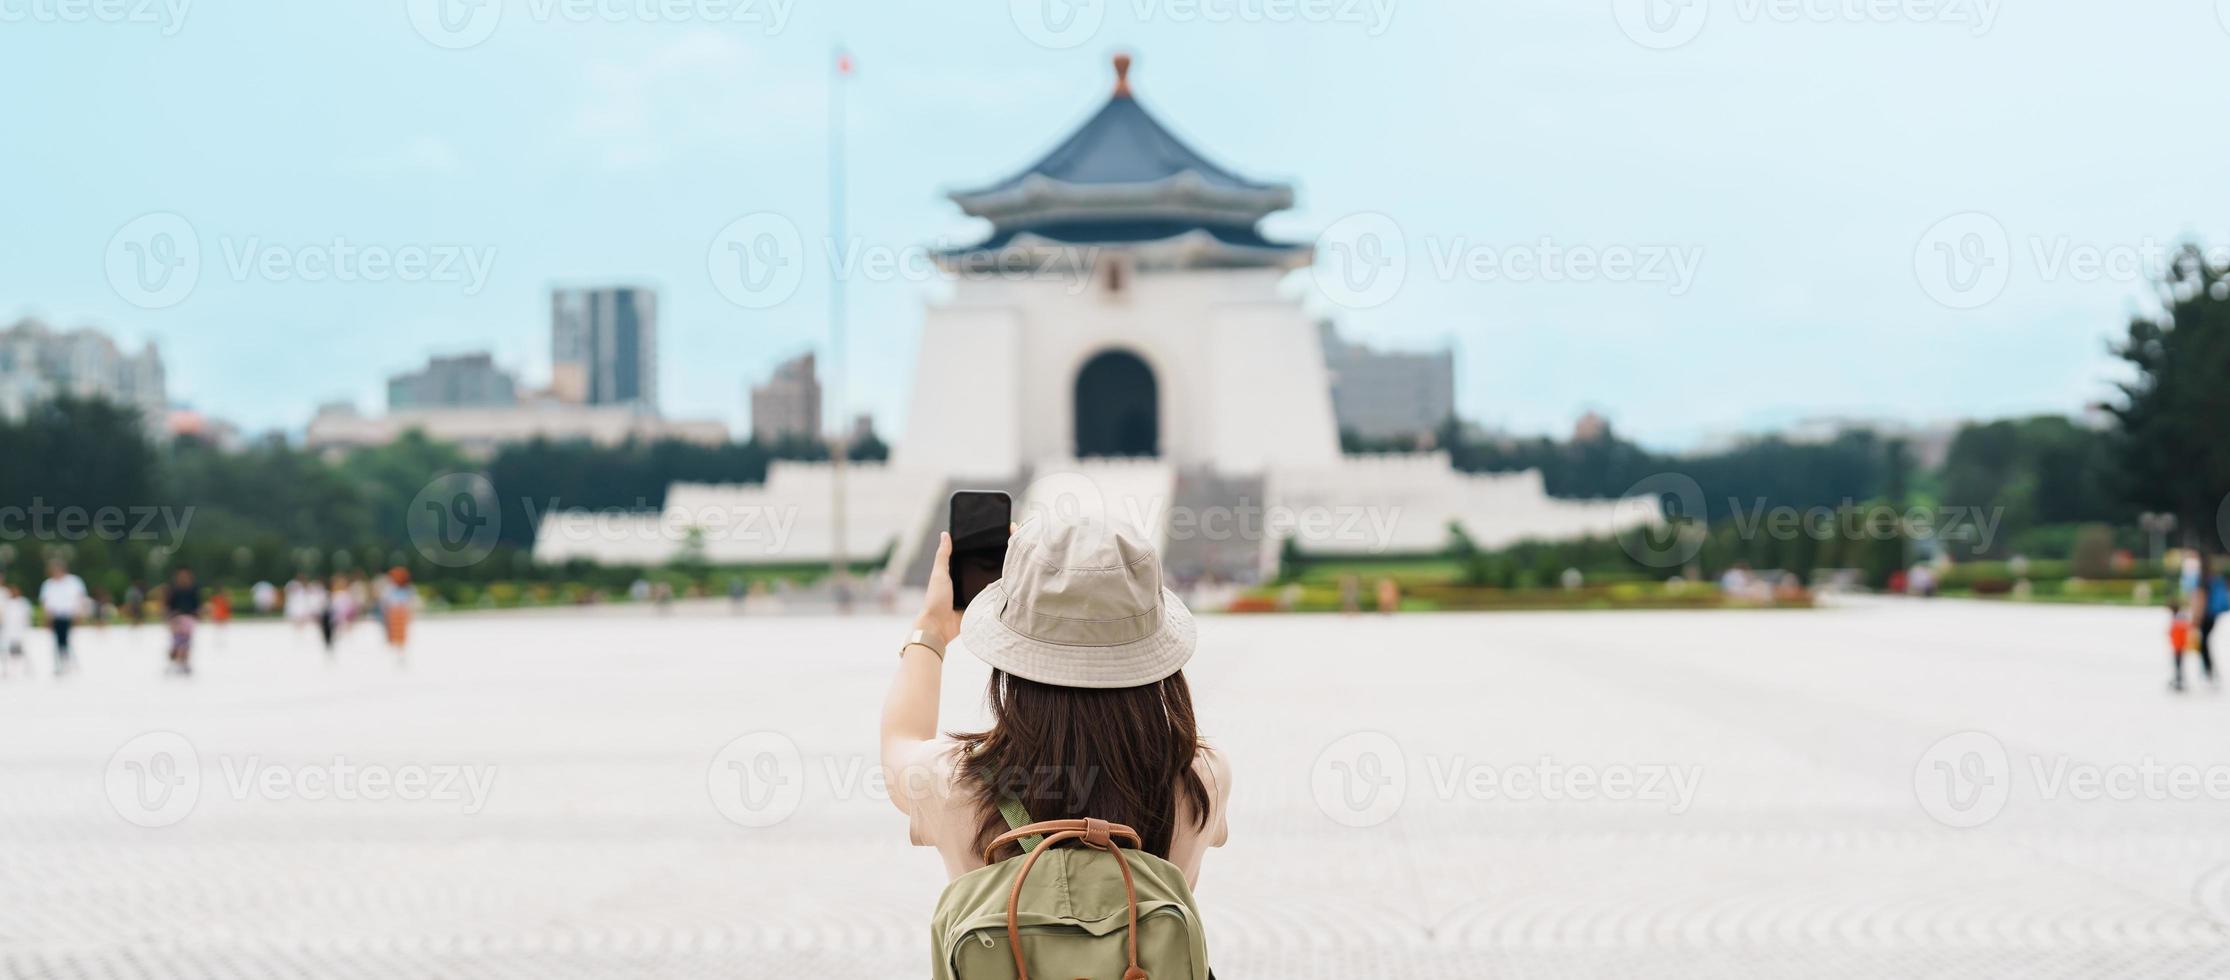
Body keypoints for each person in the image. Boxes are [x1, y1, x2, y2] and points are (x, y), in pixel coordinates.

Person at [879, 518, 1231, 892]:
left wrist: (931, 627)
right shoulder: (1201, 778)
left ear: (1013, 655)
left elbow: (900, 740)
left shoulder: (955, 782)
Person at [38, 560, 89, 676]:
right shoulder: (48, 584)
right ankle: (60, 664)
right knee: (58, 641)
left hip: (69, 615)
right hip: (56, 616)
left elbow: (80, 598)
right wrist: (46, 618)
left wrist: (80, 614)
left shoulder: (74, 581)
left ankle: (70, 663)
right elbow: (46, 603)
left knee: (67, 640)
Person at [164, 567, 203, 676]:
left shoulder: (193, 589)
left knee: (186, 643)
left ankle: (184, 662)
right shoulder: (174, 589)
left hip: (189, 619)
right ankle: (175, 661)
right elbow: (168, 605)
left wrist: (198, 614)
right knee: (177, 642)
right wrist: (169, 617)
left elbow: (197, 605)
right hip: (176, 619)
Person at [380, 567, 416, 651]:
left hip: (400, 612)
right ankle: (397, 647)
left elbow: (410, 601)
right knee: (396, 633)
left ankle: (399, 648)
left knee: (400, 633)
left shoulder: (405, 588)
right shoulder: (391, 588)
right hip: (395, 612)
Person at [1, 584, 31, 678]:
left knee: (23, 651)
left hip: (19, 631)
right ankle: (6, 670)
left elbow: (26, 617)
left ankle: (28, 669)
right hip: (8, 631)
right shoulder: (6, 603)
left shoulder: (23, 602)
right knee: (5, 651)